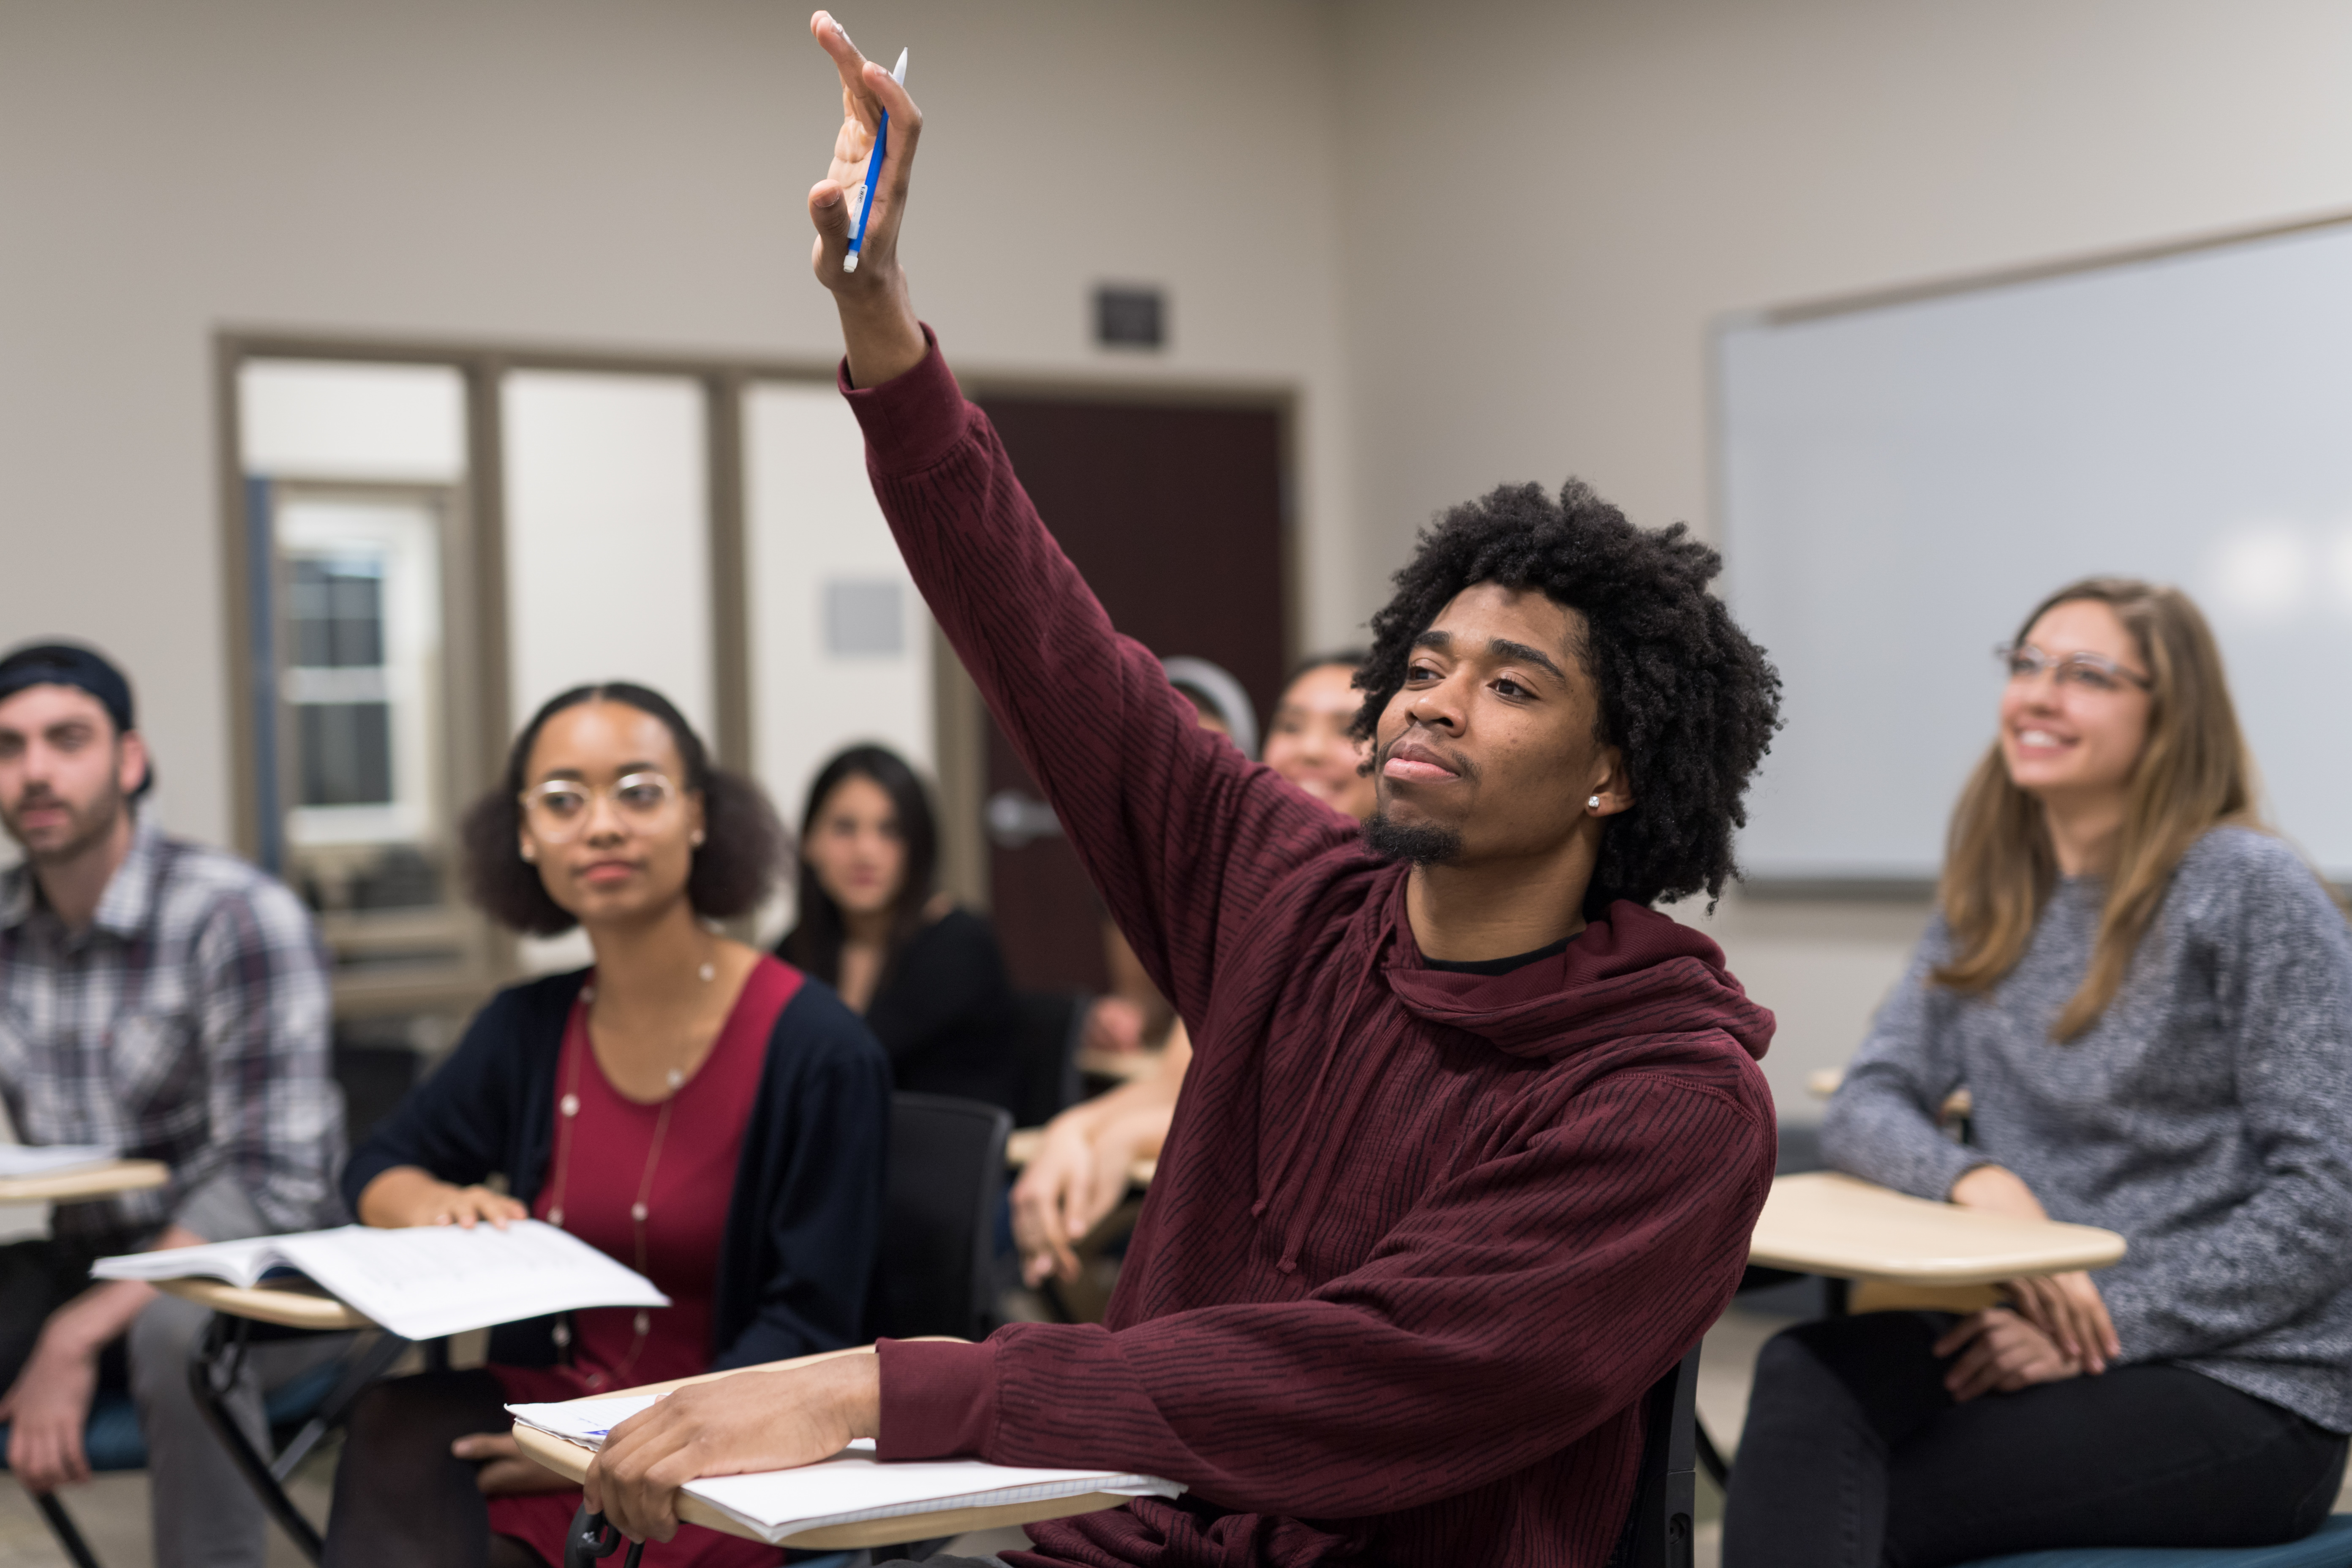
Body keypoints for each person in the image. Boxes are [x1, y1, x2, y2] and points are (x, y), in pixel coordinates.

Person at [578, 19, 1786, 1568]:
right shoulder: (1295, 890)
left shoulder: (1670, 1100)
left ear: (1620, 769)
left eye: (1512, 682)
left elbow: (1346, 1377)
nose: (1429, 695)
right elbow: (1055, 652)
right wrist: (877, 319)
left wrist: (879, 1384)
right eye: (1423, 660)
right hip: (1123, 1542)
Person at [1723, 579, 2352, 1567]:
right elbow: (1866, 1102)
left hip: (2244, 1383)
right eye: (2024, 666)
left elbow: (2330, 1197)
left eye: (2086, 675)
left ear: (2168, 715)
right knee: (1806, 1371)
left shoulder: (2245, 886)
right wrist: (1981, 1182)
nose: (2037, 696)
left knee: (1841, 1494)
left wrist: (2106, 1314)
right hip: (2038, 1329)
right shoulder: (1996, 885)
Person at [323, 682, 890, 1568]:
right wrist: (436, 1202)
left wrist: (609, 1443)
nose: (601, 825)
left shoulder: (819, 1048)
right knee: (392, 1424)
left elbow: (812, 1327)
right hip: (561, 1403)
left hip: (730, 1437)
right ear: (523, 835)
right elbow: (381, 1162)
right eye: (562, 800)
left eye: (639, 790)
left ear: (700, 815)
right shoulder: (529, 1023)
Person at [0, 641, 347, 1568]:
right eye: (8, 746)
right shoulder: (7, 933)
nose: (34, 769)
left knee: (175, 1327)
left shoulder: (235, 915)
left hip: (274, 1271)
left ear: (129, 759)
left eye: (66, 738)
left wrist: (78, 1329)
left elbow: (275, 1178)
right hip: (92, 1254)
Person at [1013, 652, 1374, 1288]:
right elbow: (1185, 1071)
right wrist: (1080, 1129)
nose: (1310, 750)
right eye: (1291, 726)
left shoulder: (1400, 911)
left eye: (1346, 729)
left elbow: (1284, 1105)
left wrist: (1127, 1138)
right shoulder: (1274, 900)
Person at [779, 742, 1019, 1111]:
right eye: (844, 828)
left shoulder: (959, 946)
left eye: (890, 830)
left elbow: (848, 1070)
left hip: (945, 1162)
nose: (866, 852)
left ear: (917, 846)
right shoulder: (794, 951)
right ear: (810, 843)